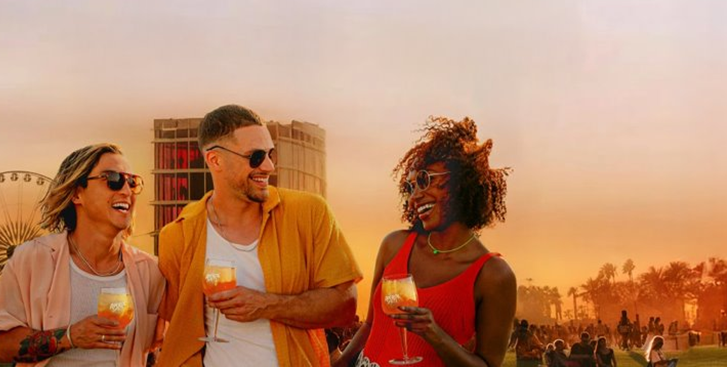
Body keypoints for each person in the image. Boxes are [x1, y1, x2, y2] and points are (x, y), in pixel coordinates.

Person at [157, 104, 362, 367]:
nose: (268, 166)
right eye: (255, 157)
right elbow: (177, 319)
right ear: (215, 160)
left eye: (270, 154)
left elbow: (346, 306)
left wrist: (265, 305)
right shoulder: (177, 234)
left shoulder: (309, 212)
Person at [338, 115, 518, 367]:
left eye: (424, 180)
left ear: (460, 181)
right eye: (410, 187)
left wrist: (434, 334)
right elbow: (370, 324)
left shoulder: (493, 275)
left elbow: (487, 365)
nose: (415, 197)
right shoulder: (395, 245)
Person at [0, 143, 165, 366]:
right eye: (113, 179)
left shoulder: (151, 270)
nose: (126, 190)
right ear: (77, 194)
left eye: (132, 182)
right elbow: (2, 346)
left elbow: (163, 345)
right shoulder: (31, 260)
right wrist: (70, 337)